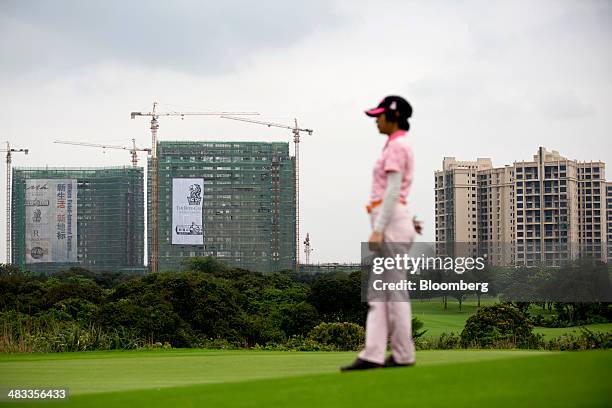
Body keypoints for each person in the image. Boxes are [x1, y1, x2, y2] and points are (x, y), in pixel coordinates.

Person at [341, 95, 422, 371]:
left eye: (380, 115)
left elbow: (392, 190)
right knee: (384, 293)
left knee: (389, 293)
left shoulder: (397, 146)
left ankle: (388, 354)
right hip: (394, 221)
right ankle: (388, 354)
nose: (376, 120)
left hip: (388, 224)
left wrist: (378, 229)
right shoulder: (396, 145)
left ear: (394, 116)